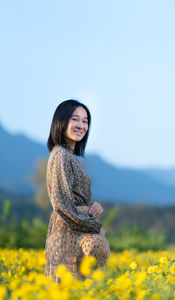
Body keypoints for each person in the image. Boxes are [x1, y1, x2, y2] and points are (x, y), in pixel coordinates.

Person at [44, 99, 110, 282]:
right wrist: (95, 227)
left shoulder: (68, 156)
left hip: (76, 231)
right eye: (75, 119)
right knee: (71, 286)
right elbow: (61, 204)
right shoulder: (60, 155)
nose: (81, 125)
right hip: (68, 235)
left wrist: (91, 207)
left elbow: (73, 200)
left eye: (85, 121)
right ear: (62, 121)